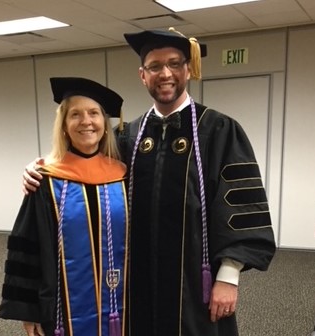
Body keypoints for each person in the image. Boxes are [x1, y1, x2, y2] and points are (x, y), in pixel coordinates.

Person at [22, 28, 276, 336]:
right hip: (135, 281)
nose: (165, 73)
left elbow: (241, 205)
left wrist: (228, 276)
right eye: (155, 66)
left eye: (174, 64)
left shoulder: (218, 130)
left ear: (188, 69)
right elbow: (82, 165)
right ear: (143, 75)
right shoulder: (128, 135)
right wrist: (39, 167)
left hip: (194, 282)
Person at [0, 77, 129, 336]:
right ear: (65, 126)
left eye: (93, 113)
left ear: (104, 123)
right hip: (61, 307)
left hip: (122, 302)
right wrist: (29, 310)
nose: (86, 121)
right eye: (75, 114)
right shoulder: (46, 180)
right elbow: (27, 245)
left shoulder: (124, 176)